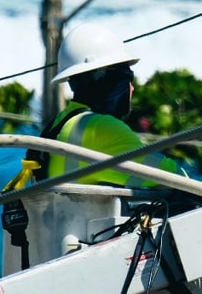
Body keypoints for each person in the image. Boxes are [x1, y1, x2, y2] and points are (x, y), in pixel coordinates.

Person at [36, 22, 177, 187]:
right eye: (127, 77)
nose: (132, 88)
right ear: (110, 81)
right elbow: (170, 178)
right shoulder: (101, 127)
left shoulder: (58, 123)